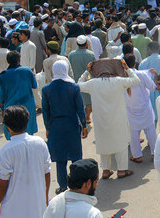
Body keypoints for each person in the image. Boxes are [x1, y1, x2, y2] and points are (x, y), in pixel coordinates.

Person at [78, 59, 140, 179]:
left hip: (100, 120)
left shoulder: (93, 83)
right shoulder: (118, 81)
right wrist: (127, 68)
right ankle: (121, 170)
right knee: (120, 143)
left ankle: (106, 170)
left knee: (103, 143)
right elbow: (136, 80)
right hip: (118, 119)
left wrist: (86, 71)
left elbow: (78, 84)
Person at [0, 105, 51, 218]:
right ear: (27, 121)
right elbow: (46, 173)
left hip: (13, 209)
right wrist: (45, 197)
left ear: (7, 126)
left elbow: (2, 183)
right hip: (37, 206)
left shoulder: (6, 150)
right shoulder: (40, 143)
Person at [42, 61, 88, 194]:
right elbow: (80, 109)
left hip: (55, 127)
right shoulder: (74, 87)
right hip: (72, 126)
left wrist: (47, 127)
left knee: (60, 159)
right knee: (75, 157)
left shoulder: (46, 89)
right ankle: (77, 184)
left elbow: (45, 111)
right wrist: (84, 126)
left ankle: (62, 186)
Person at [123, 55, 157, 164]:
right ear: (135, 63)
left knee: (134, 133)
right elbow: (152, 87)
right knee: (151, 130)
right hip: (145, 107)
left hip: (130, 109)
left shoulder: (122, 76)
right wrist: (154, 75)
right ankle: (155, 153)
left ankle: (137, 155)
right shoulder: (142, 74)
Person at [0, 51, 39, 140]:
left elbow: (1, 96)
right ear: (19, 60)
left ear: (8, 61)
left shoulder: (2, 76)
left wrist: (1, 109)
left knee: (13, 132)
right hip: (28, 105)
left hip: (11, 107)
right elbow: (34, 85)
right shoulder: (27, 70)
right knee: (28, 131)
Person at [68, 36, 96, 123]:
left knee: (77, 99)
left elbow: (70, 68)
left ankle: (79, 117)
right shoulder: (91, 54)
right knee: (88, 100)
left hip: (75, 80)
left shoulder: (71, 54)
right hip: (88, 80)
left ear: (77, 44)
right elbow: (94, 68)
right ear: (86, 44)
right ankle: (87, 117)